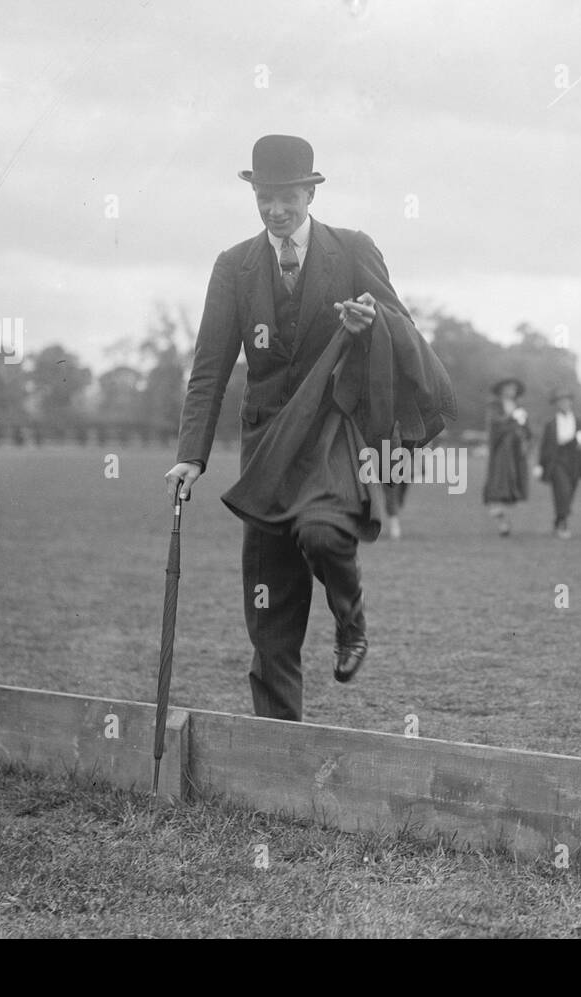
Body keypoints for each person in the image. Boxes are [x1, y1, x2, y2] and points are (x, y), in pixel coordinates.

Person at [165, 135, 452, 722]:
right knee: (270, 605)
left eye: (286, 197)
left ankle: (352, 622)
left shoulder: (351, 250)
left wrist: (371, 322)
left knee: (322, 533)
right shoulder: (233, 266)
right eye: (265, 197)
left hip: (330, 436)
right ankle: (279, 748)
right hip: (266, 447)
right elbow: (211, 367)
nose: (275, 210)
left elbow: (399, 324)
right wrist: (191, 455)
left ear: (309, 191)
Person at [537, 386, 581, 539]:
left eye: (567, 401)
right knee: (563, 490)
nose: (564, 404)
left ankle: (559, 519)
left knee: (570, 491)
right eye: (561, 402)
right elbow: (544, 445)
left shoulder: (578, 421)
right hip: (557, 460)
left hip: (574, 459)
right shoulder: (551, 424)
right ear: (557, 404)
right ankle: (563, 523)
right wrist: (540, 465)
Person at [482, 377, 530, 535]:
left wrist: (523, 435)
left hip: (516, 451)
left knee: (512, 482)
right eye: (509, 387)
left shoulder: (519, 407)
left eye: (514, 388)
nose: (512, 390)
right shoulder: (494, 406)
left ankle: (503, 515)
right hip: (501, 449)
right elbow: (495, 424)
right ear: (502, 389)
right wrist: (511, 419)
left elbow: (526, 429)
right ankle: (499, 514)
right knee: (499, 480)